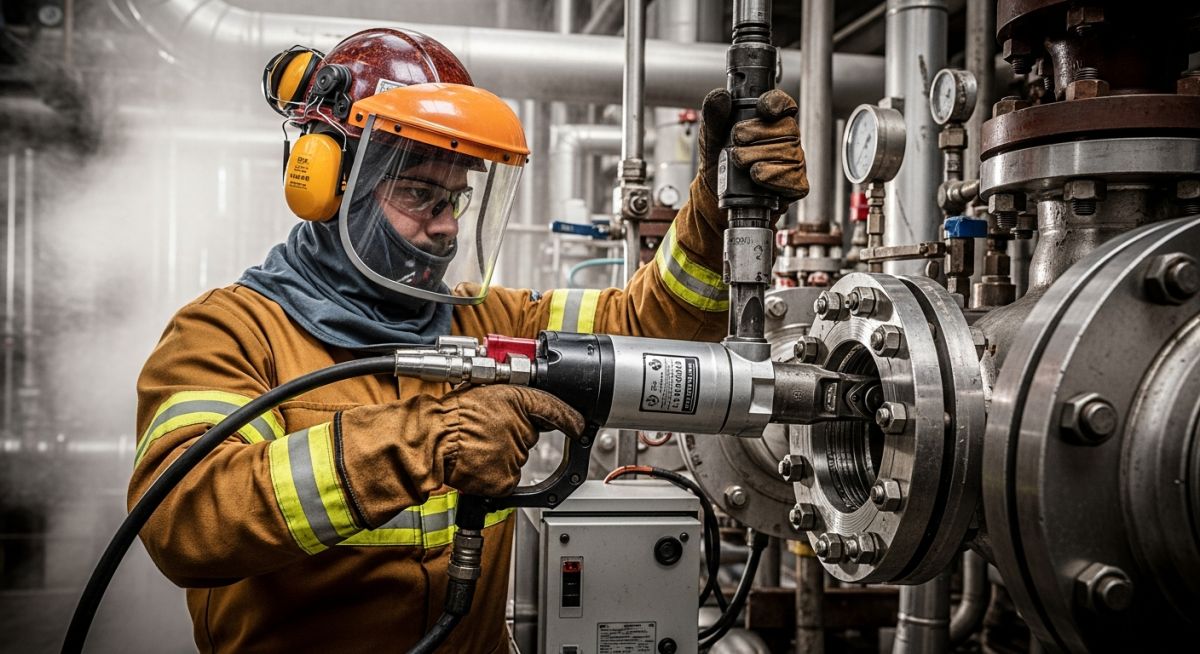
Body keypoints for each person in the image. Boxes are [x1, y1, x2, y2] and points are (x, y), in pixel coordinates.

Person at [129, 27, 808, 653]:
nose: (448, 228)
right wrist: (431, 441)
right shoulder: (229, 331)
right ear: (328, 184)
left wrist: (719, 211)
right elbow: (186, 521)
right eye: (420, 195)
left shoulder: (486, 320)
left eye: (455, 200)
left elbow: (652, 324)